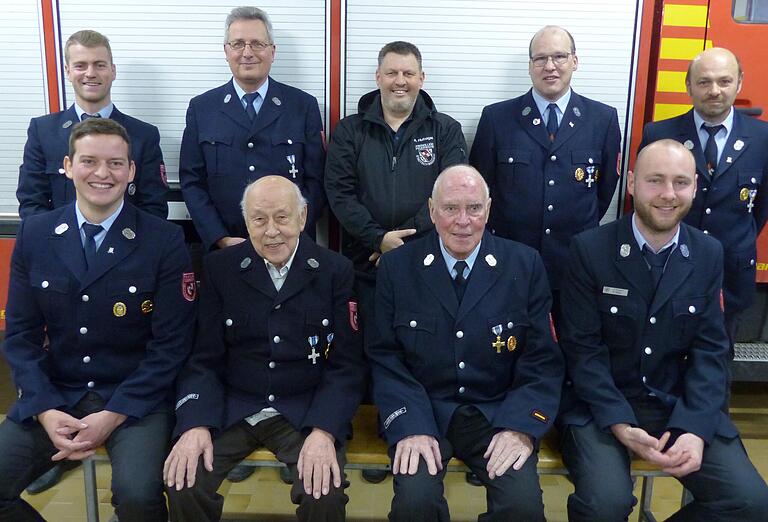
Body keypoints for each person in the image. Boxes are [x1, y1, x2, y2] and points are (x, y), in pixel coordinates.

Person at [558, 139, 768, 521]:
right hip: (602, 407)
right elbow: (581, 350)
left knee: (752, 503)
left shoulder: (708, 253)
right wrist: (620, 423)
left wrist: (695, 428)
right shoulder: (590, 250)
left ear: (695, 188)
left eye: (681, 182)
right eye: (656, 181)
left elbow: (711, 351)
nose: (668, 195)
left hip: (677, 406)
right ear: (634, 183)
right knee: (606, 505)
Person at [0, 118, 195, 522]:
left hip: (135, 398)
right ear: (68, 166)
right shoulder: (35, 235)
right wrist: (45, 409)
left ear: (132, 171)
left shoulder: (163, 240)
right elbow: (20, 336)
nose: (103, 174)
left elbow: (171, 345)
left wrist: (112, 415)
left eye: (116, 163)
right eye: (89, 161)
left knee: (138, 497)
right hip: (57, 393)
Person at [367, 165, 563, 521]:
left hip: (497, 413)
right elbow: (384, 357)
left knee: (522, 507)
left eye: (474, 208)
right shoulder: (397, 267)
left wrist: (520, 426)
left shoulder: (524, 263)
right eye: (450, 208)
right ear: (431, 210)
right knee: (415, 502)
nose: (463, 221)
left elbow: (541, 360)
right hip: (424, 410)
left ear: (488, 209)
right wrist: (409, 425)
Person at [164, 176, 365, 522]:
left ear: (303, 218)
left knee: (324, 492)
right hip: (234, 404)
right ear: (246, 223)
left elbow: (346, 365)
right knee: (184, 481)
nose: (271, 231)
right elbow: (203, 359)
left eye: (282, 217)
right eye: (259, 219)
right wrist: (195, 423)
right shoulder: (220, 268)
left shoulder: (335, 270)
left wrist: (324, 429)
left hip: (304, 410)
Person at [324, 40, 467, 483]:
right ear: (378, 78)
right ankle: (373, 435)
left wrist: (401, 242)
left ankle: (407, 436)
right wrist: (376, 239)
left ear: (422, 79)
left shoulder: (445, 130)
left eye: (408, 73)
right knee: (367, 353)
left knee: (414, 354)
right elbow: (339, 193)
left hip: (425, 267)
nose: (400, 81)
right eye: (391, 73)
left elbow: (451, 194)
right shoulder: (350, 131)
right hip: (364, 264)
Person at [469, 25, 621, 317]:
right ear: (530, 66)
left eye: (559, 57)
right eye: (540, 59)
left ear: (575, 61)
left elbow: (603, 194)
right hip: (509, 261)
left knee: (568, 346)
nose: (550, 66)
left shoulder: (603, 119)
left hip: (573, 263)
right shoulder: (496, 118)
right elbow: (481, 190)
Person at [640, 47, 768, 346]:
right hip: (668, 267)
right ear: (688, 86)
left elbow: (760, 208)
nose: (714, 91)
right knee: (663, 353)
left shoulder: (763, 139)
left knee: (717, 357)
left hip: (730, 275)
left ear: (739, 83)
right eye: (704, 82)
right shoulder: (659, 134)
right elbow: (645, 203)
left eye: (724, 81)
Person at [180, 6, 326, 252]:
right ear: (226, 51)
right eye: (238, 44)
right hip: (226, 248)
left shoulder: (303, 106)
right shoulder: (202, 109)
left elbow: (317, 181)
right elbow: (192, 182)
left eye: (257, 43)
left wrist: (288, 234)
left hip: (290, 247)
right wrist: (219, 238)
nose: (247, 53)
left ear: (272, 51)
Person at [17, 29, 168, 221]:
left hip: (127, 247)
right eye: (80, 65)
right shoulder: (43, 131)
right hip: (59, 246)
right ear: (68, 71)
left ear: (112, 71)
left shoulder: (144, 135)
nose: (90, 73)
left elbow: (154, 208)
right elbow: (31, 203)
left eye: (99, 65)